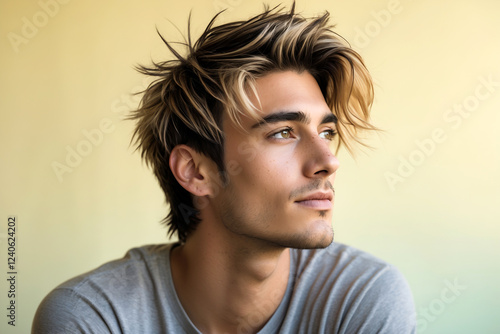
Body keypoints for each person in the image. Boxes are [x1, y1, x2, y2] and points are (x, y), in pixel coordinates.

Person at [32, 4, 416, 334]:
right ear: (196, 172)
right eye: (284, 132)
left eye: (326, 131)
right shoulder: (92, 317)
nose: (328, 161)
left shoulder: (362, 297)